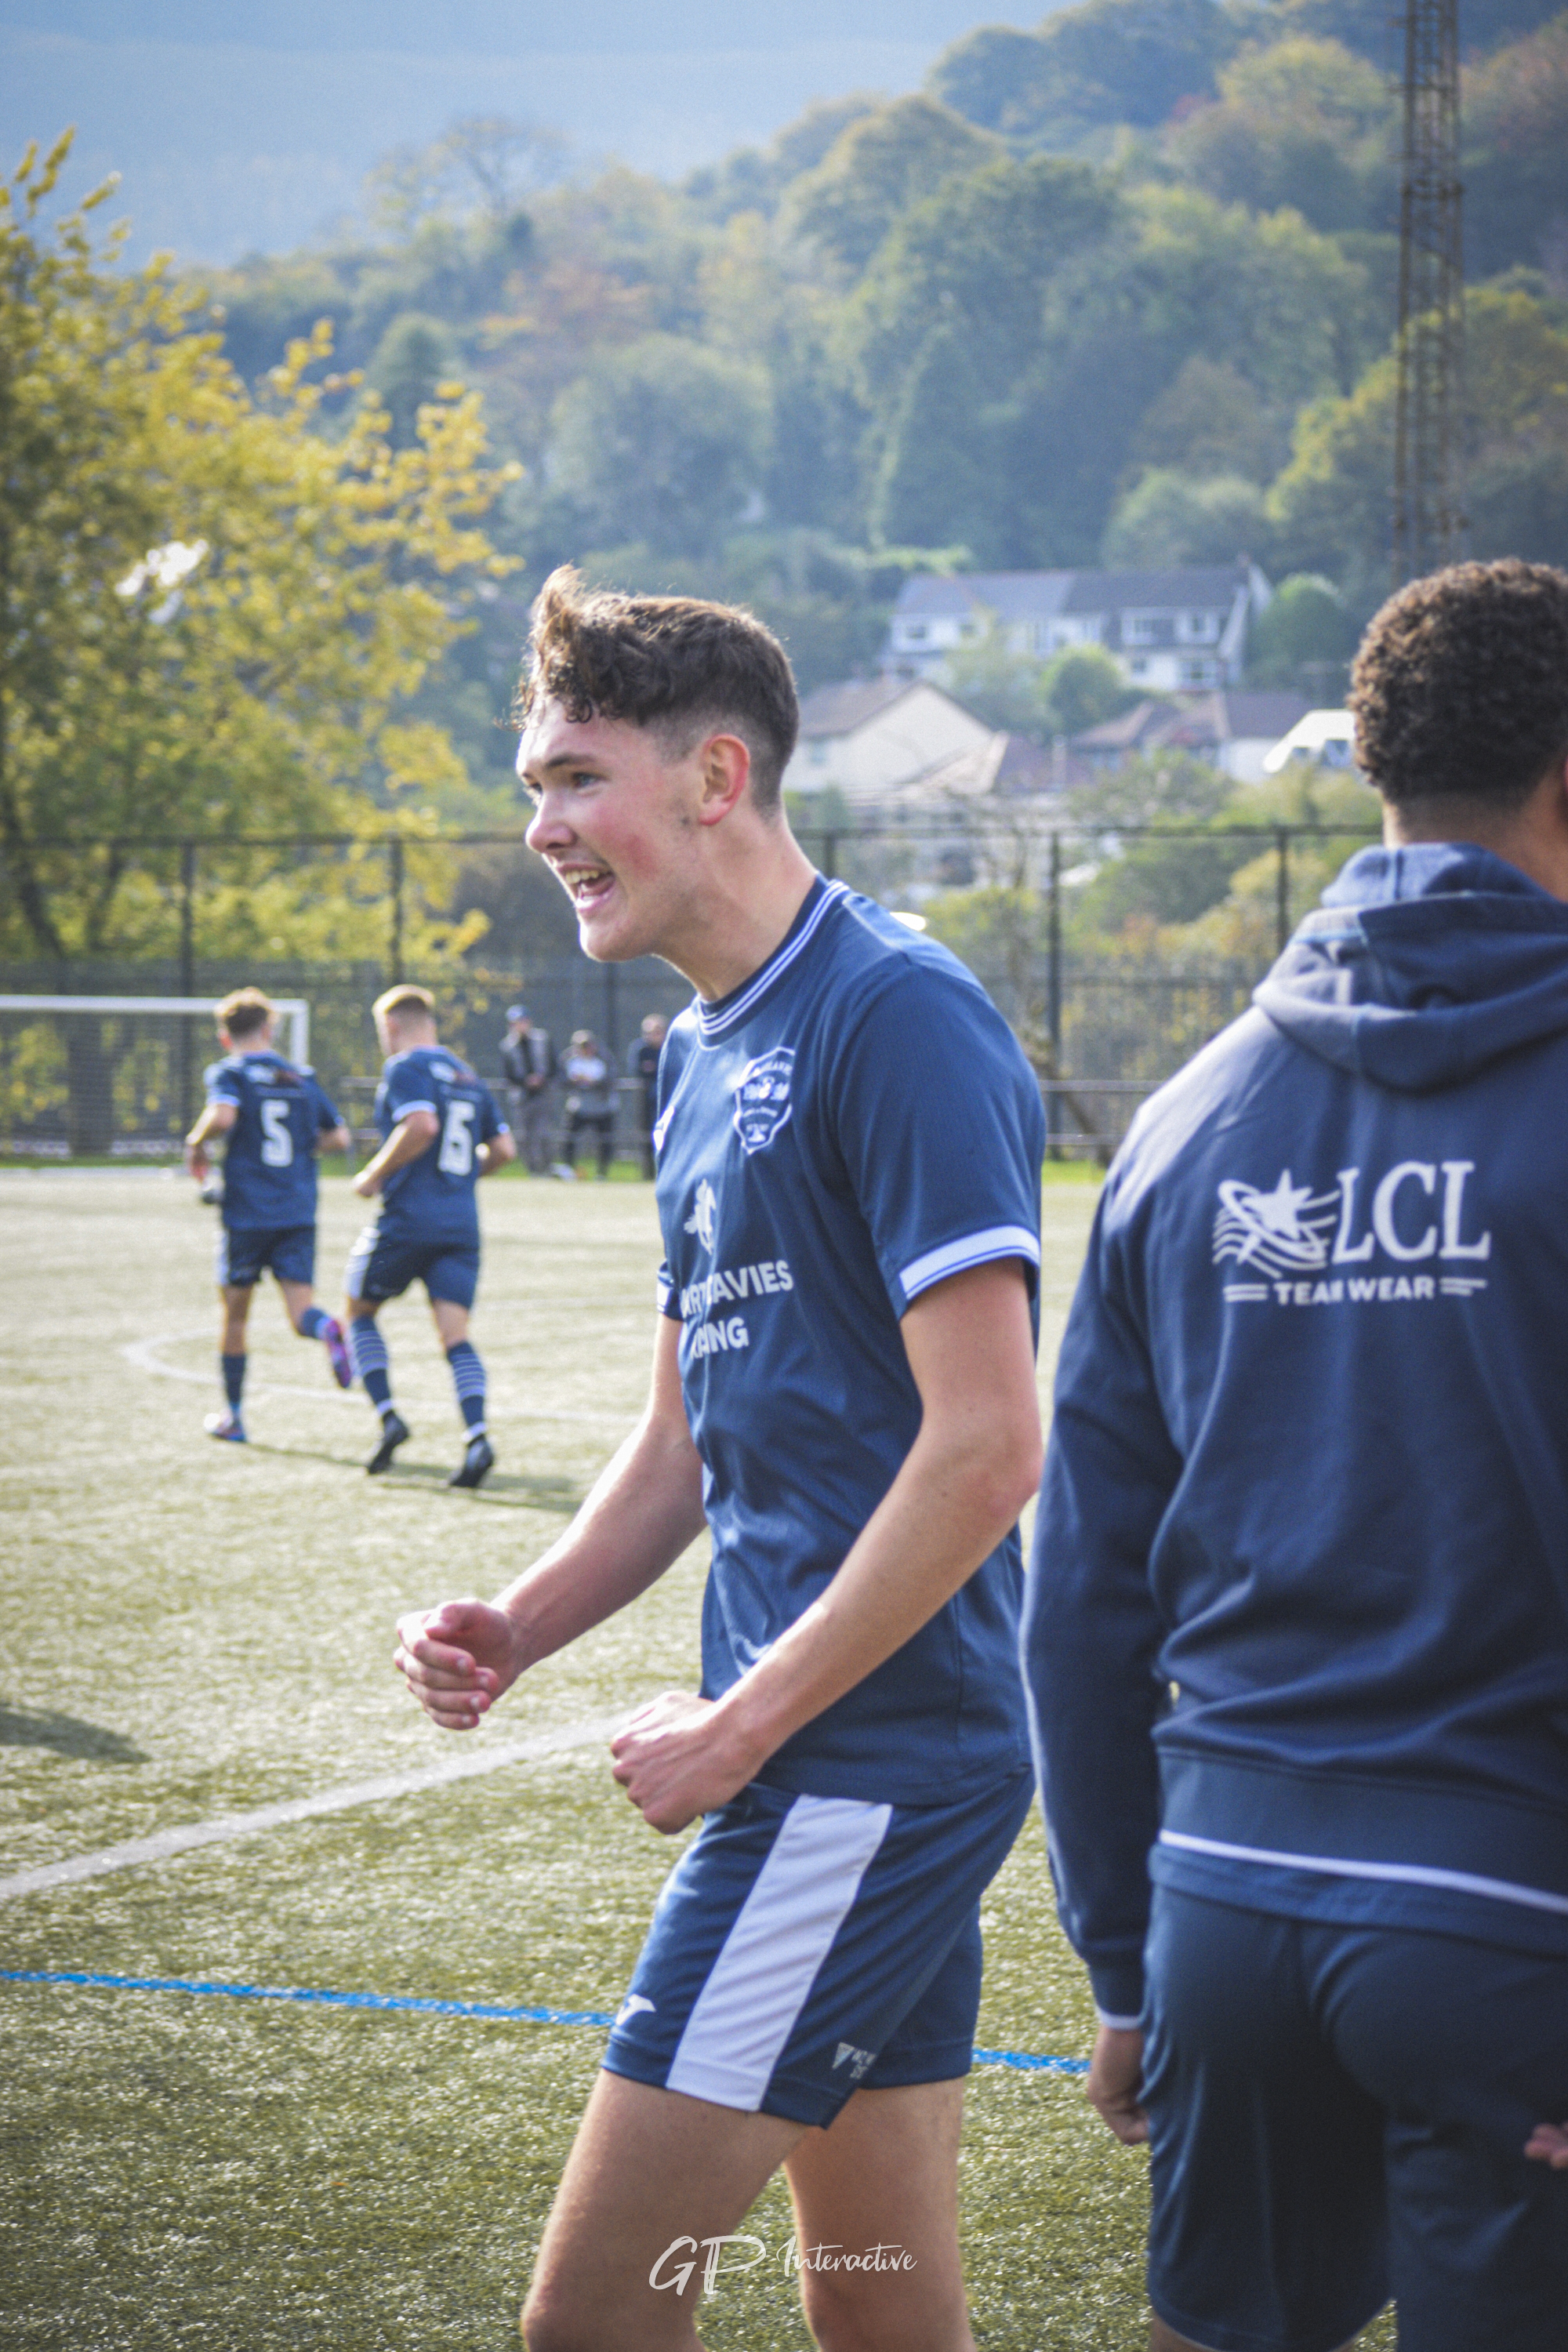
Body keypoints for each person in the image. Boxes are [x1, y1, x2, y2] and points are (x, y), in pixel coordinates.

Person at [394, 568, 1046, 2352]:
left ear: (712, 775)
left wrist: (739, 1723)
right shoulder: (689, 1055)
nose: (541, 826)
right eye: (533, 783)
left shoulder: (891, 1010)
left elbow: (989, 1445)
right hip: (835, 1771)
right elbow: (686, 1436)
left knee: (593, 2321)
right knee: (883, 2315)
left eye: (573, 777)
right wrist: (519, 1622)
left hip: (854, 1776)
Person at [1023, 558, 1568, 2352]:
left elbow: (1079, 1599)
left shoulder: (1181, 1123)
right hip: (1510, 1915)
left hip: (1222, 1908)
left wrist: (1125, 1963)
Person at [343, 984, 515, 1488]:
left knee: (357, 1311)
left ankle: (389, 1416)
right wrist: (459, 1178)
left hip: (407, 1220)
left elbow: (421, 1126)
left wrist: (373, 1173)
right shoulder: (468, 1075)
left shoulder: (405, 1067)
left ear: (392, 1026)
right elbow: (504, 1148)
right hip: (461, 1226)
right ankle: (478, 1437)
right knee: (455, 1336)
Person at [183, 986, 352, 1441]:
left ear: (225, 1035)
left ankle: (234, 1417)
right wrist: (301, 1147)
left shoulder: (230, 1073)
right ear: (269, 1029)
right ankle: (329, 1327)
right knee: (301, 1314)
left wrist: (196, 1144)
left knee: (236, 1318)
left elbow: (221, 1118)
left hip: (248, 1214)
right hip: (297, 1210)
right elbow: (339, 1137)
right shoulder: (300, 1076)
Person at [500, 1003, 557, 1174]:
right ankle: (532, 1170)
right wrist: (525, 1081)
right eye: (517, 1022)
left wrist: (542, 1080)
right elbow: (508, 1075)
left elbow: (554, 1066)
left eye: (523, 1021)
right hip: (521, 1097)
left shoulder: (542, 1039)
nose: (521, 1025)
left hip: (542, 1095)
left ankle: (547, 1168)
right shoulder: (507, 1046)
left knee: (543, 1134)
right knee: (524, 1137)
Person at [559, 1026, 615, 1178]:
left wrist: (594, 1082)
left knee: (605, 1140)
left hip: (601, 1106)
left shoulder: (604, 1058)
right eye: (580, 1046)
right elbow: (562, 1080)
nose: (585, 1049)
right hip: (579, 1107)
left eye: (587, 1045)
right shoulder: (569, 1059)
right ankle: (568, 1171)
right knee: (569, 1138)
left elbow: (610, 1080)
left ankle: (602, 1173)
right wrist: (574, 1082)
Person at [628, 1011, 666, 1178]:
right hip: (646, 1102)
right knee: (647, 1137)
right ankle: (648, 1175)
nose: (652, 1036)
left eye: (657, 1032)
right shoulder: (640, 1049)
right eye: (649, 1032)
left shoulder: (671, 1046)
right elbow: (637, 1071)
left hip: (668, 1101)